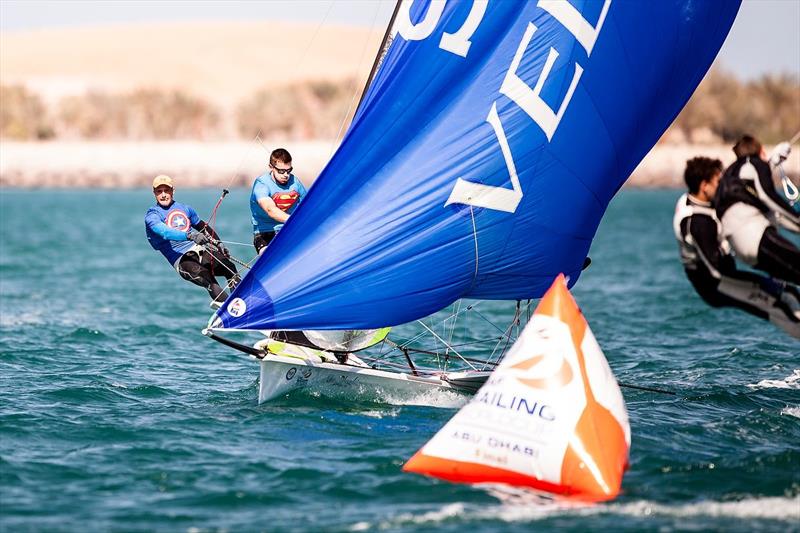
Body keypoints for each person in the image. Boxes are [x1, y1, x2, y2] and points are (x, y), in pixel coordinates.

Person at [674, 157, 800, 338]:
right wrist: (733, 246)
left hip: (723, 274)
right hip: (715, 284)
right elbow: (715, 271)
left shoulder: (693, 197)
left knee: (789, 293)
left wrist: (769, 164)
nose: (722, 185)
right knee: (779, 304)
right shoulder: (699, 223)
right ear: (704, 186)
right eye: (718, 181)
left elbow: (739, 184)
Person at [714, 135, 800, 284]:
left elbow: (774, 213)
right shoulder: (756, 164)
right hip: (755, 236)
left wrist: (772, 161)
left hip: (742, 250)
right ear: (761, 151)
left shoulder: (730, 173)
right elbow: (767, 195)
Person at [145, 175, 239, 307]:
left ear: (173, 191)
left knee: (229, 267)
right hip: (182, 259)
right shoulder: (152, 215)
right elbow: (165, 232)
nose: (163, 195)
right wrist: (190, 236)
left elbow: (203, 226)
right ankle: (232, 310)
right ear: (154, 193)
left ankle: (243, 303)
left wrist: (219, 243)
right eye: (159, 191)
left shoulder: (185, 209)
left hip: (199, 250)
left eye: (167, 190)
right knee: (208, 279)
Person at [250, 148, 308, 254]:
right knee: (268, 257)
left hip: (290, 231)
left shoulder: (295, 183)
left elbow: (309, 205)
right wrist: (295, 220)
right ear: (271, 167)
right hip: (265, 233)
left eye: (289, 170)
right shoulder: (261, 184)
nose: (286, 175)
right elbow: (270, 210)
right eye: (281, 171)